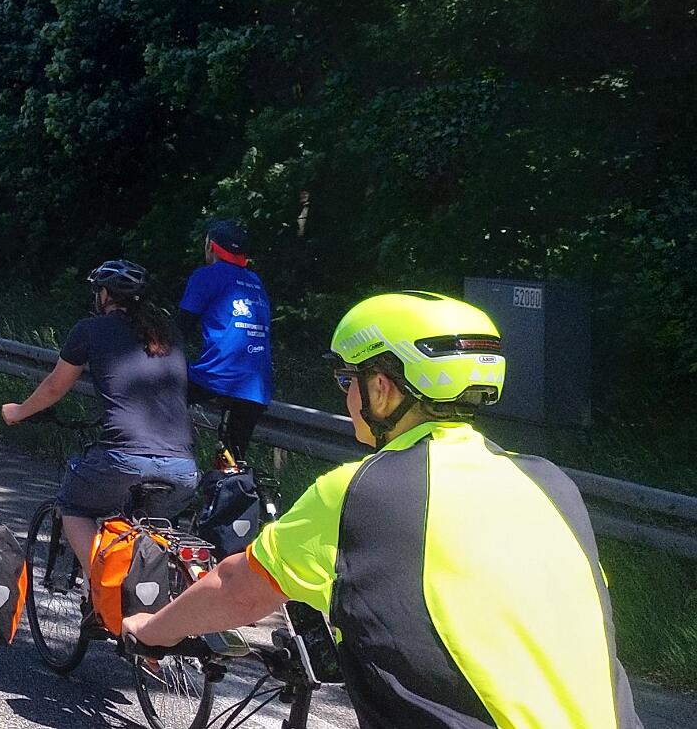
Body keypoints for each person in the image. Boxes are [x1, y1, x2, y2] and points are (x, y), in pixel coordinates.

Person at [129, 292, 641, 729]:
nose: (347, 395)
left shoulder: (361, 492)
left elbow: (238, 591)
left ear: (381, 387)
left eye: (347, 380)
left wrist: (153, 630)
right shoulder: (550, 483)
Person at [1, 259, 196, 571]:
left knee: (73, 506)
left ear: (104, 295)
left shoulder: (90, 329)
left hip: (124, 458)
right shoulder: (168, 333)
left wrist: (18, 412)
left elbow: (54, 387)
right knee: (146, 537)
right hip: (183, 467)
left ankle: (100, 584)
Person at [179, 218, 271, 458]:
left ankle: (171, 458)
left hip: (217, 375)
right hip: (256, 385)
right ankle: (233, 476)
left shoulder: (206, 276)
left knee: (158, 397)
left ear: (210, 246)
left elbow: (180, 329)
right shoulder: (255, 281)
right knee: (233, 459)